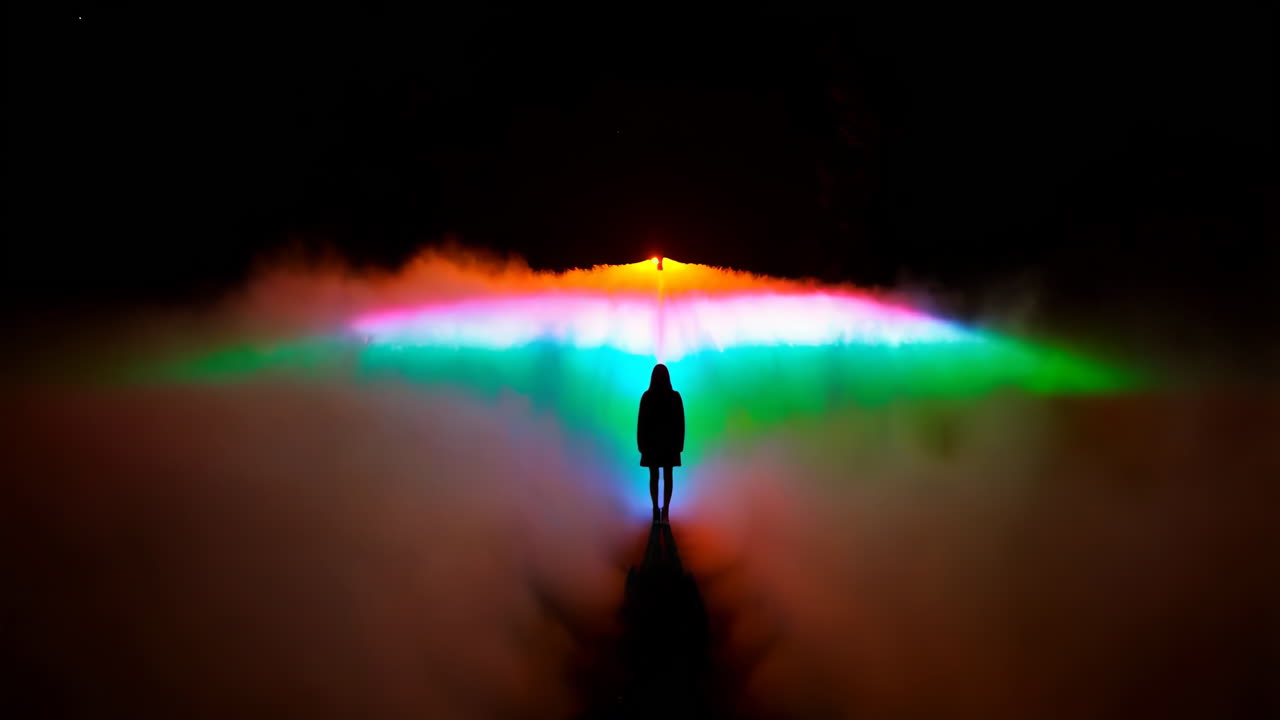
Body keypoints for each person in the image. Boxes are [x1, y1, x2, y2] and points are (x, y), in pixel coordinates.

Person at [637, 363, 685, 524]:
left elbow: (641, 423)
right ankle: (665, 511)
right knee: (668, 476)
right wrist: (679, 444)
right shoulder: (675, 396)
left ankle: (655, 510)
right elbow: (681, 423)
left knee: (654, 476)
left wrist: (641, 444)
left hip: (651, 443)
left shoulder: (647, 396)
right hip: (670, 444)